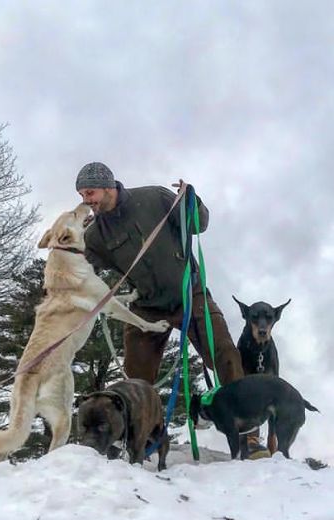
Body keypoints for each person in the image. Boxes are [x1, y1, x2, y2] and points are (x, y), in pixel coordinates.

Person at [75, 161, 270, 460]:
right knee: (135, 377)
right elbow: (83, 270)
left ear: (108, 185)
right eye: (82, 195)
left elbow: (198, 223)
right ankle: (136, 441)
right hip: (145, 308)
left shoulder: (154, 198)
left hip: (189, 296)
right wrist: (67, 246)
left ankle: (249, 437)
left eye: (90, 193)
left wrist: (193, 201)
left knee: (225, 354)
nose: (86, 201)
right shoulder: (95, 235)